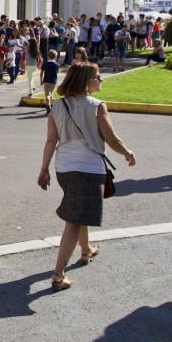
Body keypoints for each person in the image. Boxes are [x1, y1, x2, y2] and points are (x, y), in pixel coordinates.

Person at [38, 62, 136, 291]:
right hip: (88, 168)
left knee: (77, 212)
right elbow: (112, 139)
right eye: (98, 77)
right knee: (73, 220)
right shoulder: (96, 106)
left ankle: (86, 250)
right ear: (85, 81)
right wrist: (128, 153)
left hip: (64, 167)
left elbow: (51, 141)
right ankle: (58, 275)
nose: (101, 80)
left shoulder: (58, 106)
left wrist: (44, 169)